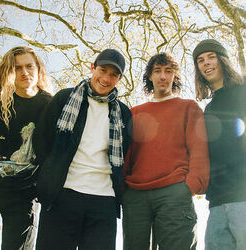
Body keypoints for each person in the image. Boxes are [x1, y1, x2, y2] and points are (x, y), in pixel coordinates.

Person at [33, 48, 132, 250]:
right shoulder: (64, 98)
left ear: (119, 78)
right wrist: (50, 178)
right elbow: (42, 140)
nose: (106, 78)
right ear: (92, 68)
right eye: (103, 70)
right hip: (62, 194)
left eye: (114, 74)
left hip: (103, 201)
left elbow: (126, 151)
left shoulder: (123, 113)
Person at [122, 52, 210, 250]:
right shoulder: (134, 112)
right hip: (135, 196)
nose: (163, 76)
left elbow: (199, 149)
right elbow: (127, 155)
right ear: (150, 77)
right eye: (157, 71)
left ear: (174, 77)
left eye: (168, 71)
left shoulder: (188, 107)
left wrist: (190, 186)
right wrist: (123, 189)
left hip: (174, 192)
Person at [0, 46, 52, 250]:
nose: (24, 72)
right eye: (17, 68)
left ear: (38, 69)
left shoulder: (50, 105)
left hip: (25, 193)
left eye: (29, 66)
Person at [193, 38, 246, 250]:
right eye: (200, 60)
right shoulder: (209, 109)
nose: (206, 63)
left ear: (223, 60)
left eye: (211, 57)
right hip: (216, 205)